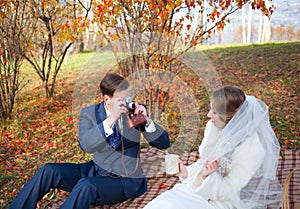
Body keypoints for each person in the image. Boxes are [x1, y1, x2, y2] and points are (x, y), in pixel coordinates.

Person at [9, 73, 170, 209]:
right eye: (122, 99)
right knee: (49, 170)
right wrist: (111, 120)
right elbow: (85, 145)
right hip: (96, 169)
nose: (128, 102)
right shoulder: (89, 113)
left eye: (129, 97)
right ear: (107, 100)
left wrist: (147, 121)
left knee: (86, 186)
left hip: (125, 179)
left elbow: (164, 143)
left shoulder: (135, 111)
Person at [144, 86, 282, 209]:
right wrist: (187, 173)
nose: (208, 115)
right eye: (210, 109)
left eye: (214, 112)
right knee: (164, 203)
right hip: (195, 187)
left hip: (220, 201)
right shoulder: (213, 127)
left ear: (230, 118)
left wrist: (206, 177)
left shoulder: (253, 149)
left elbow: (230, 190)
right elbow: (203, 162)